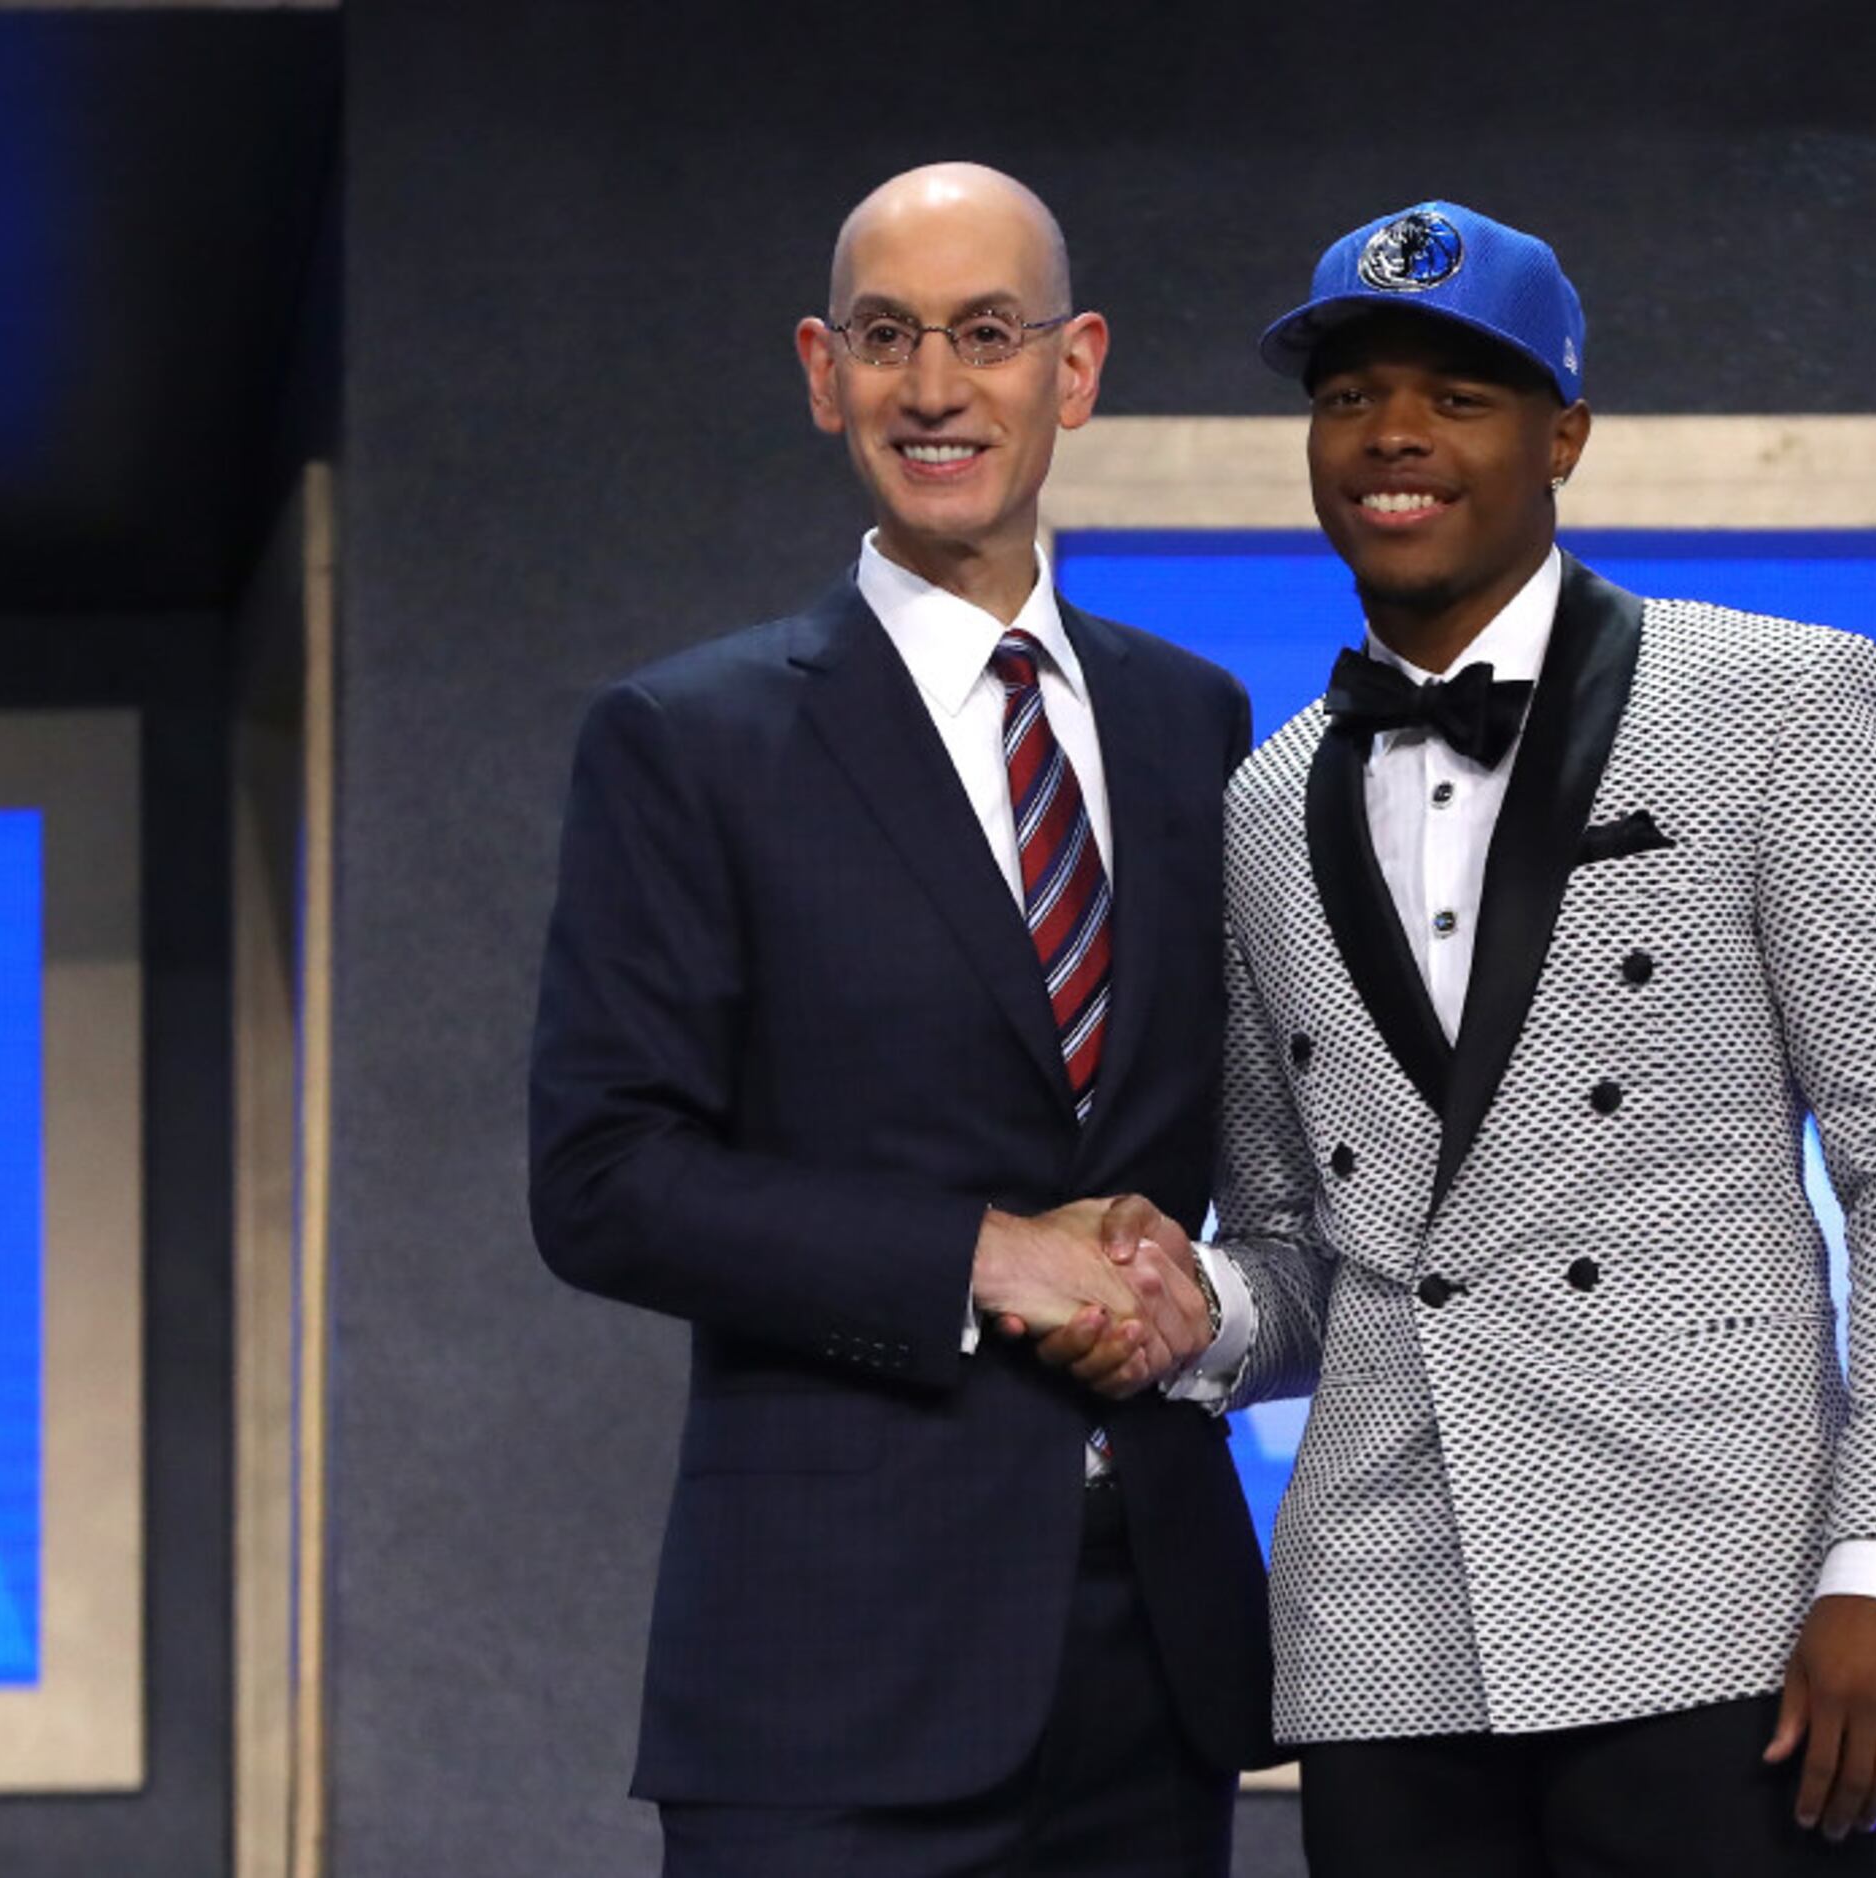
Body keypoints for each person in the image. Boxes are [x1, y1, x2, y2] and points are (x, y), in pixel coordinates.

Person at [1056, 200, 1876, 1875]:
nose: (1396, 436)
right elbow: (1308, 1249)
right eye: (1351, 395)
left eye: (1460, 392)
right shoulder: (1267, 805)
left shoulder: (1778, 701)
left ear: (1563, 432)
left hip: (1719, 1602)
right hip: (1387, 1631)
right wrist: (1186, 1305)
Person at [526, 161, 1269, 1878]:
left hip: (1154, 1673)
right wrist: (982, 1254)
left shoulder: (1190, 721)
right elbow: (605, 1176)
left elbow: (1246, 1146)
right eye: (887, 338)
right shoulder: (688, 739)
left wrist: (1191, 1290)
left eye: (988, 335)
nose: (935, 388)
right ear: (819, 371)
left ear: (1074, 370)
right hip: (828, 1688)